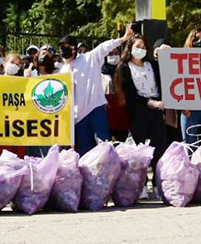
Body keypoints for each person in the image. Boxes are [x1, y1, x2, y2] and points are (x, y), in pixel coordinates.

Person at [59, 24, 135, 153]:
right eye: (61, 47)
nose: (63, 50)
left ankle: (108, 173)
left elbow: (103, 48)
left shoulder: (88, 58)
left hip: (96, 109)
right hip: (78, 116)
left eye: (67, 46)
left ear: (74, 49)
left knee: (104, 148)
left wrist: (122, 39)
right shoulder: (62, 70)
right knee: (85, 151)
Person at [115, 35, 168, 193]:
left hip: (157, 110)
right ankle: (142, 185)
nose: (141, 50)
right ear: (130, 48)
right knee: (140, 151)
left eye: (144, 47)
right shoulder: (124, 68)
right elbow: (130, 93)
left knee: (159, 148)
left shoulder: (152, 65)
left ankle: (158, 184)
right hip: (138, 112)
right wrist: (148, 102)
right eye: (138, 46)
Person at [102, 46, 130, 142]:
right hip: (107, 111)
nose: (114, 56)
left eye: (116, 53)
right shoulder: (100, 73)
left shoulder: (124, 70)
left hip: (122, 110)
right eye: (110, 54)